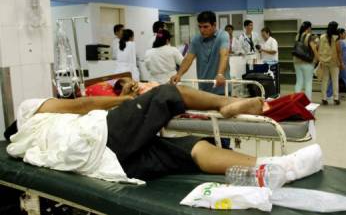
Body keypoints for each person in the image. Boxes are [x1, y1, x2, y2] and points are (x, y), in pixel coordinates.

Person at [7, 80, 269, 182]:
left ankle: (266, 166)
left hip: (109, 164)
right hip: (100, 141)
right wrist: (127, 102)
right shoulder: (30, 109)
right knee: (166, 93)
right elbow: (82, 104)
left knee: (186, 148)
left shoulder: (27, 144)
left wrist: (124, 100)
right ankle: (226, 103)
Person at [170, 11, 230, 95]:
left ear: (214, 25)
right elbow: (188, 59)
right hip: (203, 88)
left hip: (221, 88)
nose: (202, 30)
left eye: (205, 27)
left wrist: (220, 74)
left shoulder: (223, 35)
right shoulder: (196, 39)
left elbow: (224, 54)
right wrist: (179, 74)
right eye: (200, 27)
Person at [293, 21, 319, 100]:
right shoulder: (309, 36)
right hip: (307, 62)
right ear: (309, 28)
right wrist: (318, 58)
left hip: (297, 62)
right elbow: (313, 48)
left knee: (299, 82)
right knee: (308, 83)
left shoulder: (297, 36)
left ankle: (296, 101)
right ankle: (308, 102)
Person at [319, 21, 343, 105]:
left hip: (324, 61)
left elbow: (319, 49)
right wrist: (341, 62)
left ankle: (323, 98)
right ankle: (336, 98)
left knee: (325, 80)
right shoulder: (336, 37)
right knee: (335, 80)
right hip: (334, 61)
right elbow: (339, 51)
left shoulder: (322, 37)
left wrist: (320, 60)